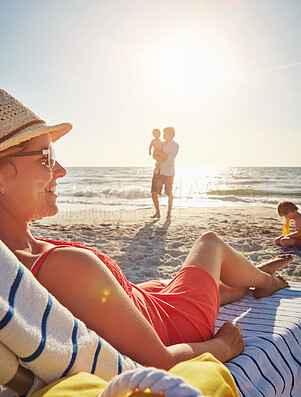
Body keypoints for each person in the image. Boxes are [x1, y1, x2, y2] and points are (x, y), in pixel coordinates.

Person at [0, 89, 291, 372]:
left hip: (141, 301)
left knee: (172, 282)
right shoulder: (65, 268)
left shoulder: (15, 261)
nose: (60, 170)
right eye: (46, 157)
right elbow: (160, 363)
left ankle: (247, 278)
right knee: (210, 243)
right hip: (171, 322)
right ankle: (265, 283)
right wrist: (224, 347)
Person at [151, 126, 179, 219]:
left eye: (165, 133)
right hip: (158, 171)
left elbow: (170, 158)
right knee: (154, 192)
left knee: (169, 193)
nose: (163, 135)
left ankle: (168, 213)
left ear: (170, 134)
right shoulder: (161, 143)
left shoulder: (175, 145)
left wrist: (161, 155)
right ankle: (157, 212)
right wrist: (159, 156)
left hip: (168, 173)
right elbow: (154, 155)